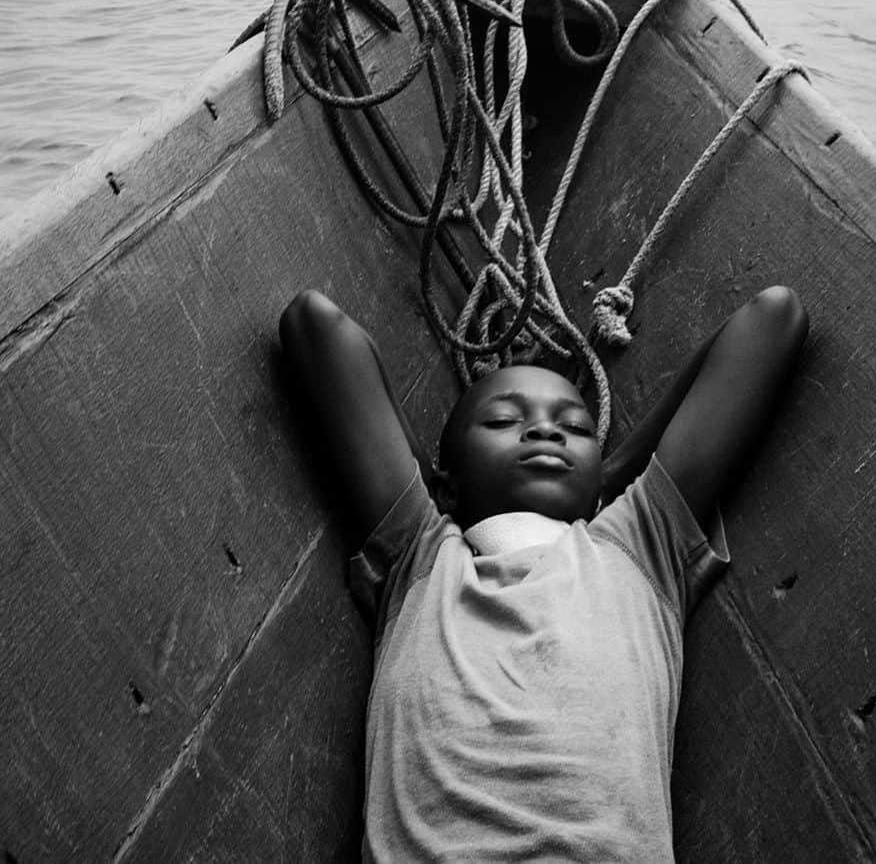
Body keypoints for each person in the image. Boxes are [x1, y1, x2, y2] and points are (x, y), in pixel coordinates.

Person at [279, 284, 808, 863]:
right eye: (504, 419)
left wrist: (614, 478)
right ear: (449, 484)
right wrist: (430, 487)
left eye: (576, 429)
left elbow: (773, 318)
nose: (545, 430)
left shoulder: (639, 542)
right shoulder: (422, 555)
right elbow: (315, 327)